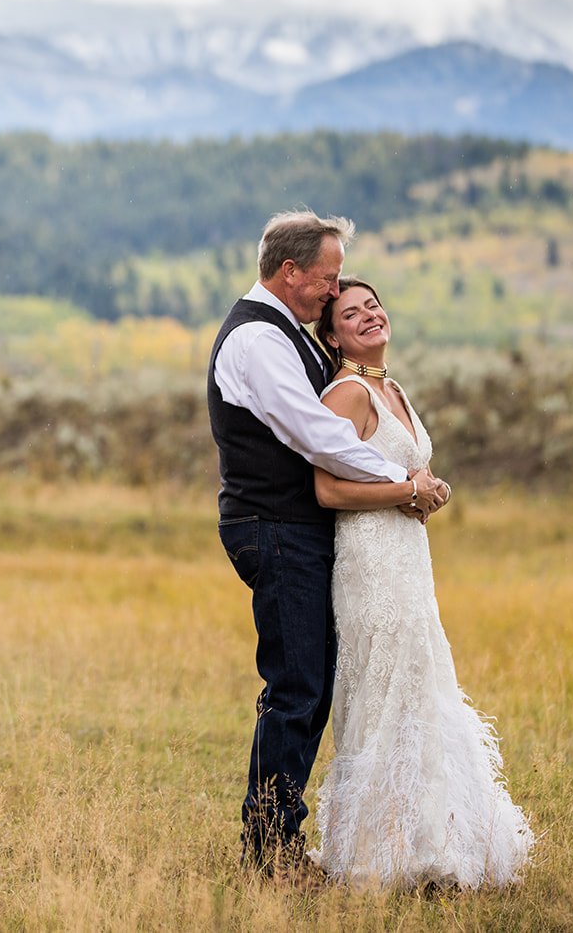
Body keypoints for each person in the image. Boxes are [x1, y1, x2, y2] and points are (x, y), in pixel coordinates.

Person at [207, 211, 448, 878]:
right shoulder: (257, 340)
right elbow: (316, 433)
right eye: (328, 278)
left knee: (307, 684)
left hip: (294, 528)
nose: (332, 291)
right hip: (274, 524)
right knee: (296, 686)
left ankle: (278, 838)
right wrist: (403, 480)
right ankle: (270, 850)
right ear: (290, 272)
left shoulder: (285, 334)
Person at [310, 279, 534, 889]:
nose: (368, 317)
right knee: (389, 690)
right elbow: (328, 489)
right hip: (371, 563)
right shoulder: (348, 394)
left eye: (373, 305)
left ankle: (432, 840)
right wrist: (409, 491)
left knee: (420, 687)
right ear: (332, 335)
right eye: (350, 314)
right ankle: (378, 853)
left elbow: (403, 469)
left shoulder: (392, 388)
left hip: (410, 557)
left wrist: (427, 491)